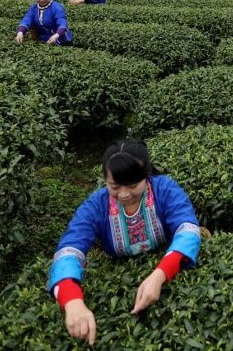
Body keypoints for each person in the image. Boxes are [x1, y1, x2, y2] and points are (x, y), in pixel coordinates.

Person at [47, 139, 201, 346]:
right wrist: (72, 300)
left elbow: (188, 230)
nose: (125, 194)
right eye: (115, 186)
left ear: (146, 176)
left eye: (133, 185)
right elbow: (69, 250)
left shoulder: (164, 189)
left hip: (164, 258)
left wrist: (160, 274)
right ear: (105, 180)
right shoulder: (96, 205)